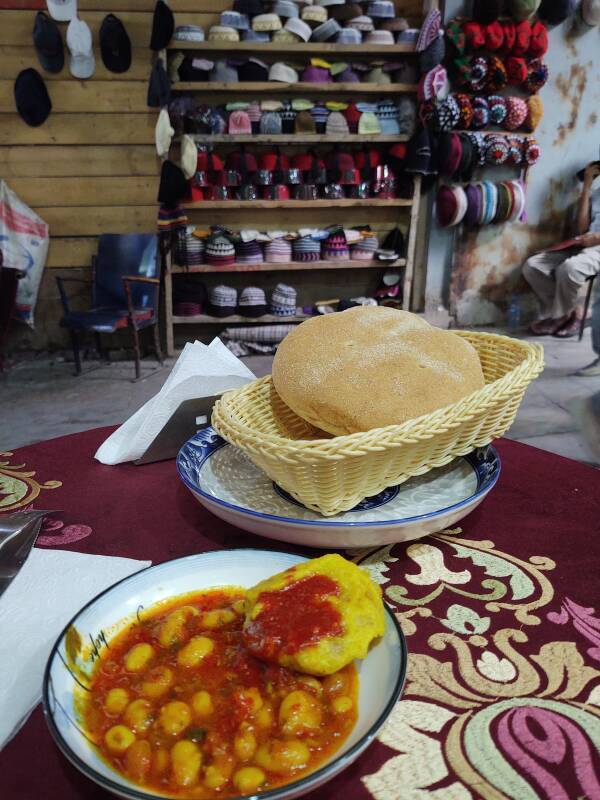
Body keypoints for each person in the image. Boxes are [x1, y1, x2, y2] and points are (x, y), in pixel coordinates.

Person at [522, 161, 600, 337]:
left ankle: (559, 317)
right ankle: (572, 313)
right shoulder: (595, 195)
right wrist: (587, 187)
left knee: (570, 268)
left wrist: (596, 238)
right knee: (533, 266)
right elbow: (581, 228)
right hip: (584, 244)